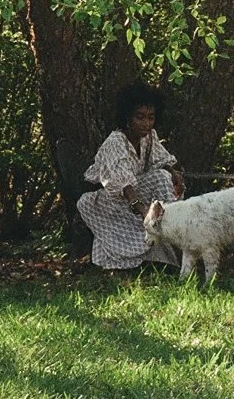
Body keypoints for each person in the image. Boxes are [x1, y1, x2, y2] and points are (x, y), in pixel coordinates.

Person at [78, 82, 186, 270]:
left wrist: (174, 172)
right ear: (127, 117)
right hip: (108, 200)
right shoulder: (116, 142)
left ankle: (175, 239)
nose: (146, 123)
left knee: (162, 176)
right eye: (140, 117)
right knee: (159, 181)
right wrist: (143, 211)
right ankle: (166, 242)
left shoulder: (149, 137)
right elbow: (123, 184)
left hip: (135, 193)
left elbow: (160, 161)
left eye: (150, 118)